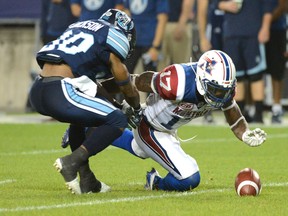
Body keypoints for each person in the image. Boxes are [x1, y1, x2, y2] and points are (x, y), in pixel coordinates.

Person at [63, 50, 267, 192]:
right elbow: (132, 80)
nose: (221, 96)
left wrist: (245, 133)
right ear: (202, 80)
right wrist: (97, 91)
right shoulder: (178, 81)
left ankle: (88, 126)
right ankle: (156, 182)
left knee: (139, 148)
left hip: (167, 128)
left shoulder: (219, 87)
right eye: (216, 90)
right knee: (189, 177)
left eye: (225, 90)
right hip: (149, 126)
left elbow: (232, 111)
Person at [29, 9, 141, 195]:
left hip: (39, 89)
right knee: (118, 120)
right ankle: (71, 162)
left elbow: (93, 87)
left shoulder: (79, 27)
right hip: (60, 90)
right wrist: (135, 106)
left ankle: (87, 179)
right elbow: (125, 83)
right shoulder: (111, 34)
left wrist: (116, 104)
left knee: (83, 120)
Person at [217, 0, 273, 123]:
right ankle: (238, 115)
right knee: (236, 77)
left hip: (253, 33)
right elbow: (215, 3)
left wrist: (265, 27)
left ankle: (258, 115)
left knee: (256, 75)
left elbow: (268, 7)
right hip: (231, 34)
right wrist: (225, 5)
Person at [197, 0, 225, 123]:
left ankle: (231, 108)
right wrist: (203, 37)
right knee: (209, 72)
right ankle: (206, 110)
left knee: (230, 70)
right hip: (213, 31)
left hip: (230, 30)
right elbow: (202, 11)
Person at [265, 0, 287, 123]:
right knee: (253, 73)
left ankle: (276, 108)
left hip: (276, 30)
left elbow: (283, 6)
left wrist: (265, 23)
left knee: (277, 71)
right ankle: (250, 108)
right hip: (254, 31)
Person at [157, 0, 194, 69]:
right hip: (159, 24)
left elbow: (188, 2)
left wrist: (182, 23)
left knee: (182, 67)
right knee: (160, 67)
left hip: (177, 23)